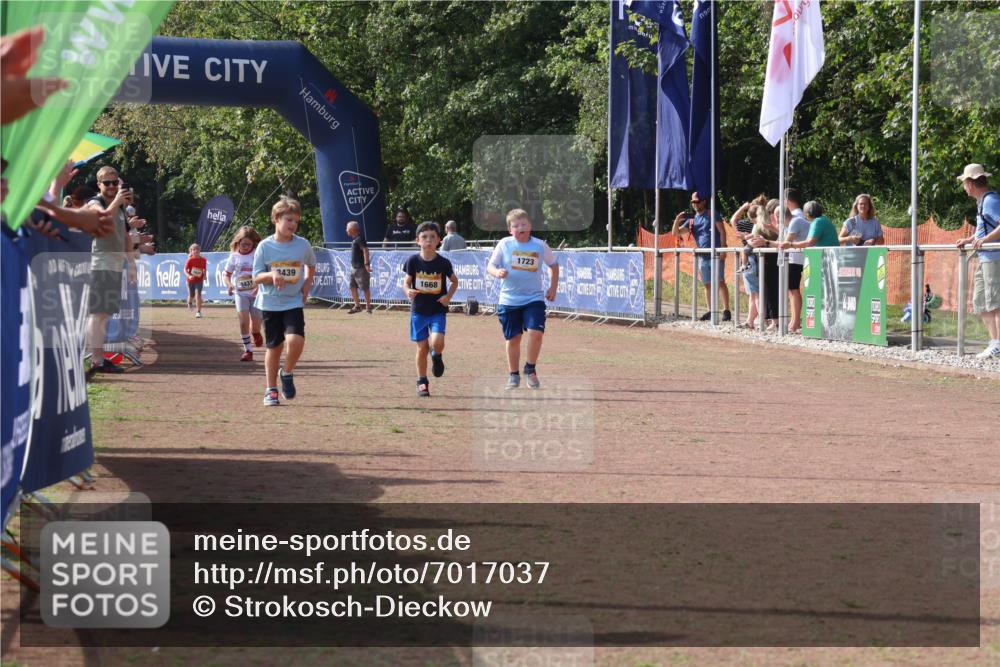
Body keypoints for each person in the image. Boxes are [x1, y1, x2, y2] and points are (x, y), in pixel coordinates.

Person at [253, 196, 316, 406]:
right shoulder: (264, 246)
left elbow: (311, 266)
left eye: (296, 221)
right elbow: (256, 277)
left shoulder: (303, 244)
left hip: (293, 302)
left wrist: (306, 287)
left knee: (295, 340)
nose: (293, 225)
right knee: (275, 347)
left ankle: (287, 372)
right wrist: (272, 275)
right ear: (276, 219)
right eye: (289, 220)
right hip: (270, 303)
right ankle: (271, 390)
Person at [487, 208, 560, 390]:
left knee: (536, 333)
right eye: (516, 225)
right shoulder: (504, 244)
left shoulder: (539, 245)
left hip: (533, 298)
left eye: (524, 224)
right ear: (510, 229)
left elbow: (554, 265)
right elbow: (490, 265)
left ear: (531, 226)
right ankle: (513, 374)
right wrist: (497, 272)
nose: (521, 227)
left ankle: (530, 368)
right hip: (509, 300)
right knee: (514, 339)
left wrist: (552, 287)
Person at [84, 166, 132, 375]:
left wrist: (131, 264)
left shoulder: (119, 206)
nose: (112, 186)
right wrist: (118, 201)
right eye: (107, 183)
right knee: (98, 314)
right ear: (99, 185)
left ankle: (99, 358)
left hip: (114, 263)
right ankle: (96, 360)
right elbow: (101, 218)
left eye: (115, 182)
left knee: (104, 315)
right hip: (100, 263)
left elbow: (125, 236)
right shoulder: (96, 202)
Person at [403, 222, 458, 397]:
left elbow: (454, 281)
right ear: (417, 240)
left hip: (437, 310)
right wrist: (408, 291)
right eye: (424, 237)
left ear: (439, 241)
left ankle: (437, 356)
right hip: (418, 311)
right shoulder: (412, 261)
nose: (428, 240)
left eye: (432, 237)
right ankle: (422, 382)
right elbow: (406, 282)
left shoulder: (443, 262)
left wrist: (448, 297)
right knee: (422, 348)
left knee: (437, 343)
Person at [955, 164, 1000, 359]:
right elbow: (985, 228)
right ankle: (995, 342)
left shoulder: (991, 200)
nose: (964, 186)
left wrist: (984, 240)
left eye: (965, 182)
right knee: (981, 302)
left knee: (995, 302)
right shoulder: (982, 201)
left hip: (994, 257)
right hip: (985, 257)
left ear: (971, 183)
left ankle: (998, 344)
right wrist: (970, 239)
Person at [672, 191, 731, 321]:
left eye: (697, 202)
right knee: (707, 284)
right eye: (693, 202)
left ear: (704, 202)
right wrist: (677, 220)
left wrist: (723, 249)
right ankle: (711, 311)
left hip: (715, 254)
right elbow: (676, 233)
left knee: (720, 281)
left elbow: (722, 231)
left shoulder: (712, 214)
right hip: (702, 256)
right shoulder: (692, 221)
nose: (695, 204)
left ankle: (726, 310)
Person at [223, 226, 264, 362]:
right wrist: (229, 285)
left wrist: (258, 286)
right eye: (243, 244)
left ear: (253, 244)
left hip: (256, 294)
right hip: (241, 293)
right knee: (243, 321)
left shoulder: (257, 254)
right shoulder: (234, 256)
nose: (246, 247)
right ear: (238, 242)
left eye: (249, 244)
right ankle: (248, 350)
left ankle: (256, 333)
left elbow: (263, 273)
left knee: (256, 323)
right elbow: (227, 274)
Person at [730, 195, 768, 328]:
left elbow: (733, 221)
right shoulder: (765, 221)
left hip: (752, 259)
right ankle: (750, 321)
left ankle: (761, 320)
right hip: (756, 259)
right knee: (753, 293)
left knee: (755, 293)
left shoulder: (754, 223)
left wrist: (742, 207)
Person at [748, 199, 781, 331]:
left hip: (767, 260)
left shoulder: (761, 226)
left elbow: (753, 242)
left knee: (769, 291)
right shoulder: (770, 224)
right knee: (771, 291)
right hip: (771, 259)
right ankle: (772, 320)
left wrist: (749, 243)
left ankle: (773, 320)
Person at [346, 220, 373, 314]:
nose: (346, 230)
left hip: (361, 268)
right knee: (352, 287)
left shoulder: (360, 238)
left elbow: (365, 250)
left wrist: (366, 264)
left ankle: (368, 307)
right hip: (354, 268)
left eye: (347, 228)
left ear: (353, 229)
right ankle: (357, 306)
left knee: (365, 288)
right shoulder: (355, 239)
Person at [184, 243, 207, 318]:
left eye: (197, 249)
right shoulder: (190, 260)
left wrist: (204, 275)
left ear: (199, 251)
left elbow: (204, 269)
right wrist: (189, 276)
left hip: (199, 280)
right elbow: (184, 270)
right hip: (190, 280)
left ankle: (198, 312)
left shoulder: (203, 260)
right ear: (191, 251)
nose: (195, 251)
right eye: (194, 250)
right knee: (192, 295)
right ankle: (190, 302)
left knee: (198, 294)